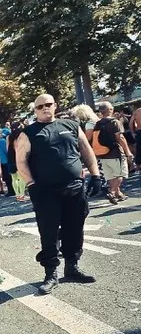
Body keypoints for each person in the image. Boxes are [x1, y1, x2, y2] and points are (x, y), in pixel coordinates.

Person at [15, 93, 102, 295]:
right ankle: (50, 274)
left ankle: (72, 267)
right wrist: (31, 184)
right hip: (45, 192)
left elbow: (86, 150)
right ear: (35, 111)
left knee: (75, 228)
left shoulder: (70, 125)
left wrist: (96, 175)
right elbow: (21, 161)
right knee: (49, 232)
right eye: (40, 106)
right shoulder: (28, 133)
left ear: (55, 105)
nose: (45, 108)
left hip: (75, 188)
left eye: (48, 104)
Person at [90, 101, 134, 203]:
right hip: (115, 153)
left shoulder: (98, 124)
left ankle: (118, 194)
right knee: (120, 174)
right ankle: (112, 192)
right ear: (110, 110)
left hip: (103, 154)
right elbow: (120, 138)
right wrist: (128, 152)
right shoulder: (114, 122)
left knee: (110, 176)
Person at [0, 128, 14, 195]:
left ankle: (10, 191)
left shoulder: (1, 141)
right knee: (13, 177)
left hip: (4, 161)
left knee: (7, 178)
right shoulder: (10, 140)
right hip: (11, 160)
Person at [131, 103, 141, 171]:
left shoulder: (136, 112)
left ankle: (138, 167)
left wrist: (132, 132)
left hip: (139, 131)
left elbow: (130, 123)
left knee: (139, 149)